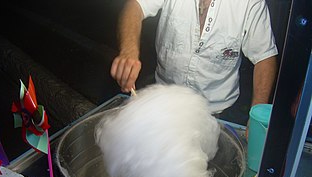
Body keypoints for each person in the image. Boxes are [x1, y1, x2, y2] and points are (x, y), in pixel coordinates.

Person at [110, 0, 278, 114]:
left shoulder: (251, 3)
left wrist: (257, 116)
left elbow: (265, 57)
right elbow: (135, 6)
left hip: (217, 112)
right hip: (164, 102)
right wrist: (128, 51)